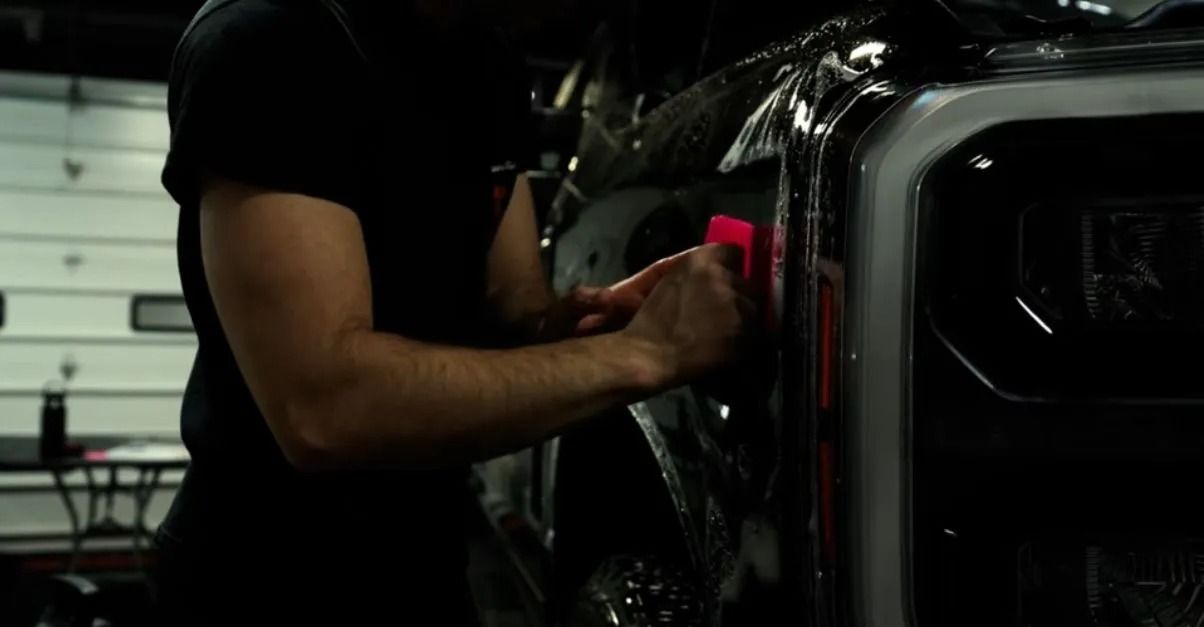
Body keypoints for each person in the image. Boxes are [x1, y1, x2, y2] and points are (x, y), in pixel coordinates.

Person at [152, 0, 754, 624]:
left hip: (423, 567)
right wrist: (645, 353)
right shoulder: (269, 40)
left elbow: (515, 309)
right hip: (262, 585)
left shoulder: (485, 61)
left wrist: (597, 322)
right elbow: (325, 407)